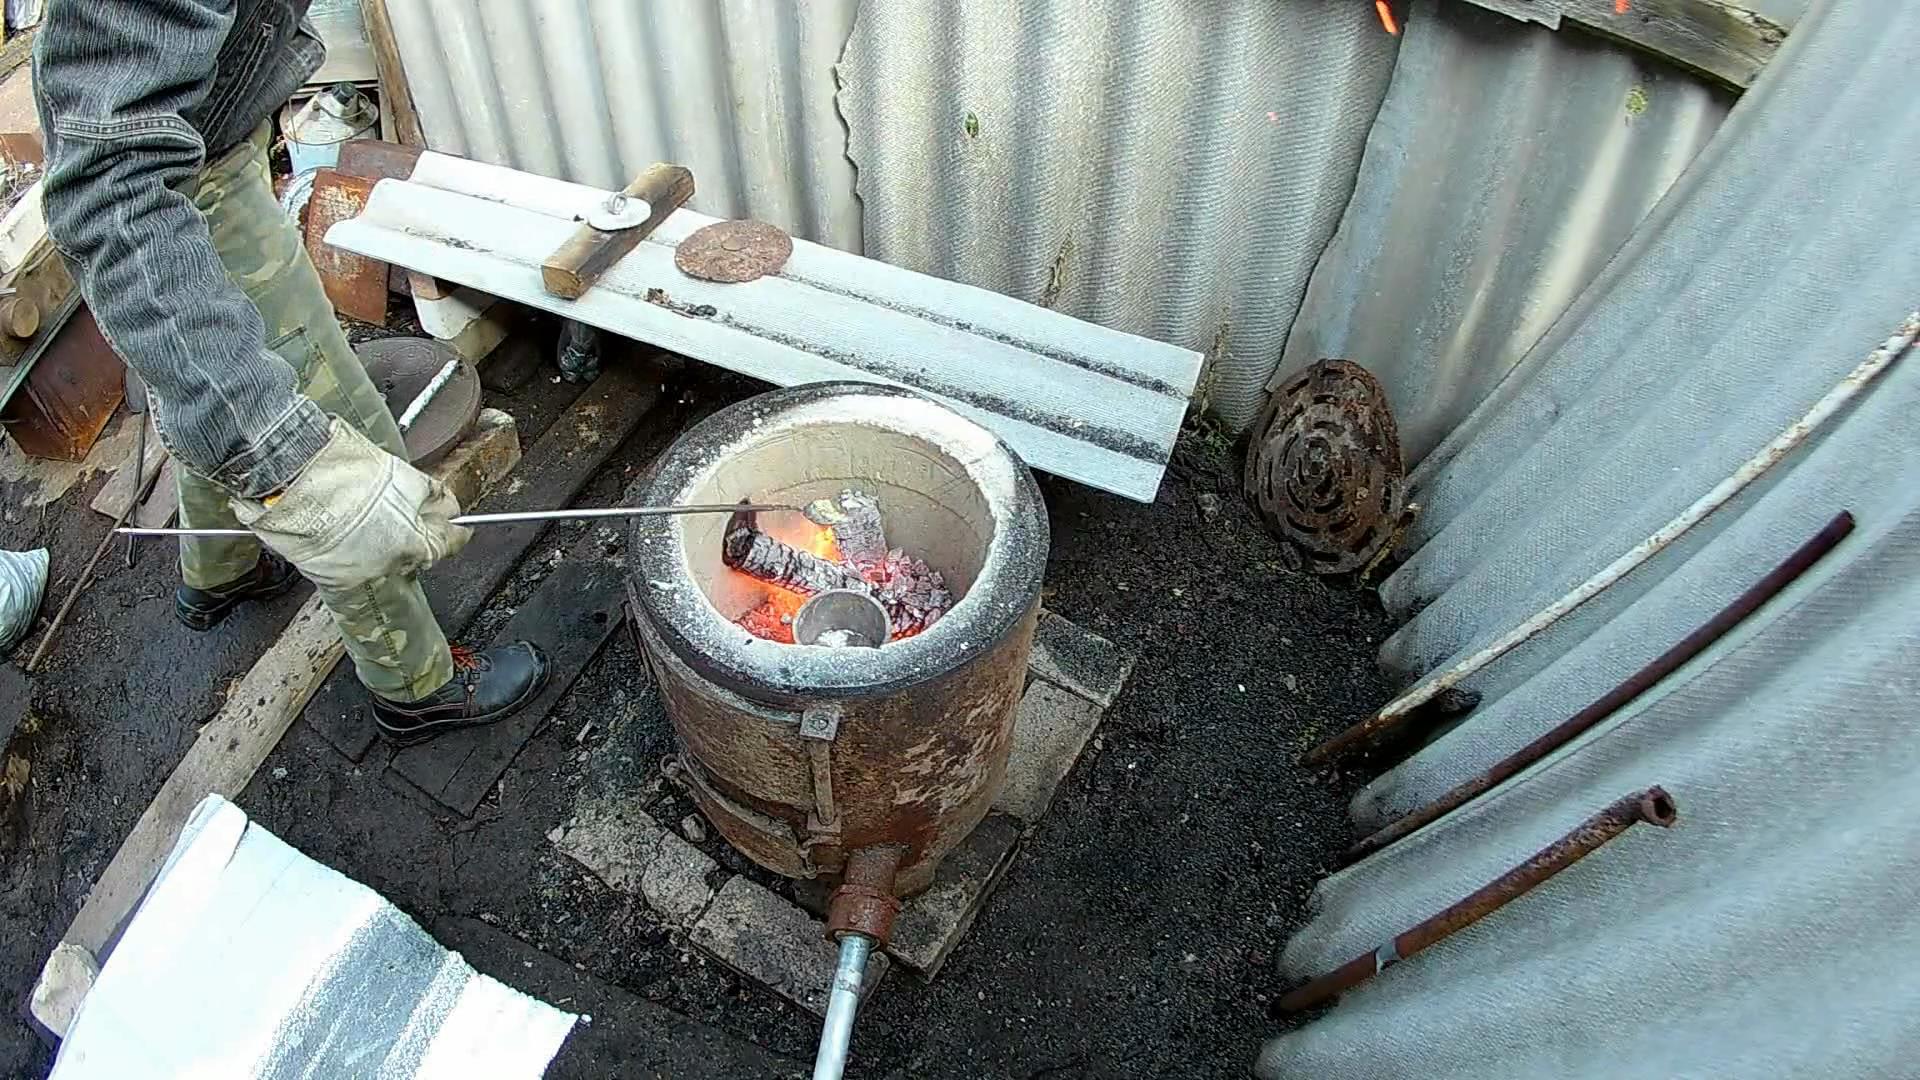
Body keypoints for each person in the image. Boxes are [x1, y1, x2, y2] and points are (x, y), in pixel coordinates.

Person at [32, 1, 548, 743]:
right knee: (352, 458)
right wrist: (299, 470)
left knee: (215, 382)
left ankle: (222, 572)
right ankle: (414, 685)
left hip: (213, 155)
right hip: (184, 194)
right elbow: (106, 189)